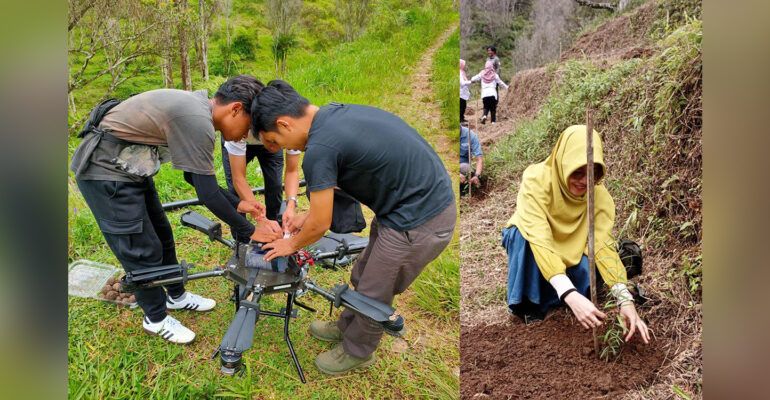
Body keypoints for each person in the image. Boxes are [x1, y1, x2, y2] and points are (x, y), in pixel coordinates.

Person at [251, 80, 457, 376]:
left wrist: (290, 245)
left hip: (421, 219)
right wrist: (304, 217)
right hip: (403, 206)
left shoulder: (319, 148)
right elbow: (322, 209)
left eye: (273, 141)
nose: (277, 148)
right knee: (363, 272)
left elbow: (321, 225)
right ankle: (348, 324)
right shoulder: (332, 116)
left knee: (375, 289)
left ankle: (358, 352)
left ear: (284, 124)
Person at [70, 75, 282, 345]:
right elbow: (207, 194)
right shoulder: (197, 120)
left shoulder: (198, 110)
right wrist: (251, 231)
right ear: (236, 108)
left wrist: (241, 204)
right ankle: (155, 319)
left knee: (162, 235)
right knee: (140, 248)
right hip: (105, 173)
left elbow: (193, 178)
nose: (246, 136)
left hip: (132, 168)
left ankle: (176, 296)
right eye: (248, 127)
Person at [503, 125, 650, 344]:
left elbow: (601, 246)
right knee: (521, 235)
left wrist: (625, 299)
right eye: (577, 172)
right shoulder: (536, 180)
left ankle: (561, 295)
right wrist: (570, 294)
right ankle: (528, 304)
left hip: (573, 247)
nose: (584, 182)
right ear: (563, 164)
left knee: (585, 270)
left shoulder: (599, 196)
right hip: (534, 242)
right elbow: (539, 237)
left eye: (593, 174)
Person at [221, 133, 301, 234]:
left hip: (271, 135)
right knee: (235, 192)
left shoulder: (292, 130)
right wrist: (261, 218)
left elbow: (292, 171)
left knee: (275, 185)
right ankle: (241, 236)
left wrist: (291, 207)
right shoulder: (237, 128)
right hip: (239, 138)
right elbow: (238, 178)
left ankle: (274, 227)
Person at [471, 60, 508, 125]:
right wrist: (507, 88)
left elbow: (473, 79)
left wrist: (472, 80)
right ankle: (493, 122)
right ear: (492, 67)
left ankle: (485, 115)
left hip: (484, 94)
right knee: (493, 108)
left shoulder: (482, 73)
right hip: (492, 93)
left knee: (485, 106)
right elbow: (501, 83)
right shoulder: (494, 75)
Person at [459, 125, 483, 197]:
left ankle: (463, 191)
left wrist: (477, 175)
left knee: (465, 168)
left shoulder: (470, 135)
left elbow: (479, 159)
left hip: (463, 165)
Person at [460, 59, 472, 123]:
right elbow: (462, 83)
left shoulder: (462, 72)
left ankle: (462, 118)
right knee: (461, 106)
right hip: (461, 93)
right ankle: (460, 119)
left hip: (462, 93)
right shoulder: (460, 73)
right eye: (464, 64)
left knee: (463, 106)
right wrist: (471, 82)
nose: (464, 66)